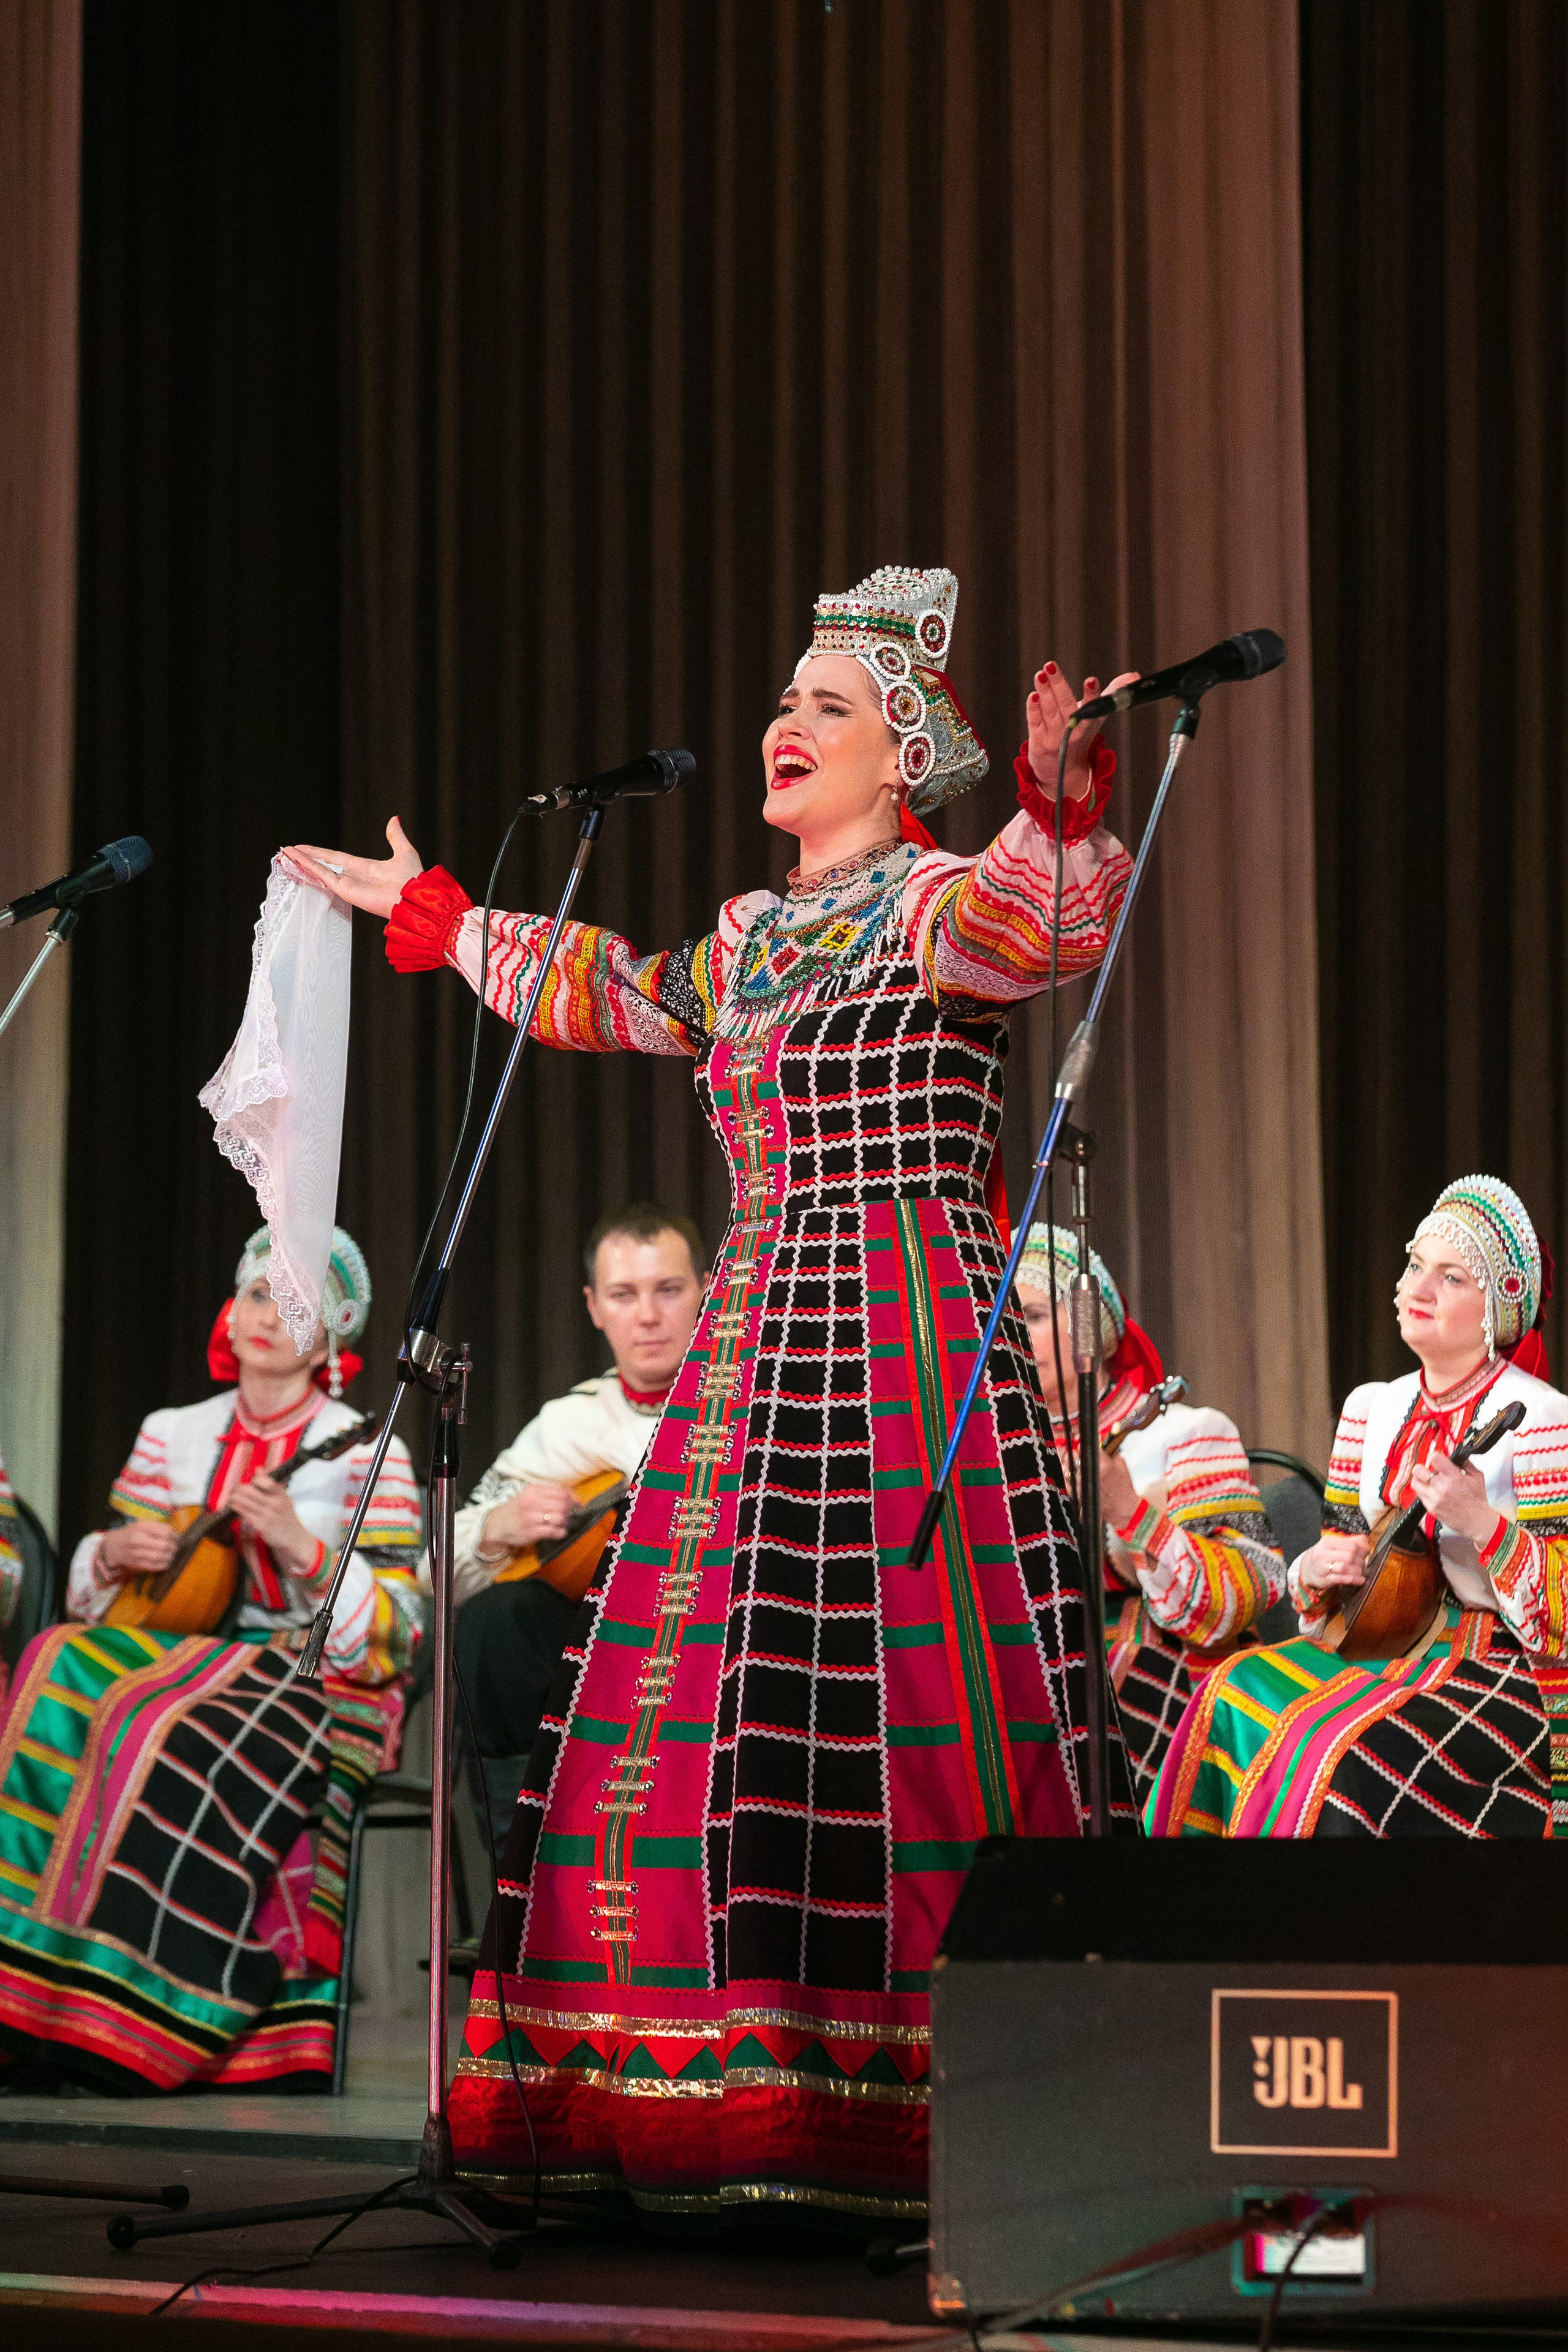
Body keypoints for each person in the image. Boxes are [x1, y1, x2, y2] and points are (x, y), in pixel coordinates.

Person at [284, 564, 1136, 2222]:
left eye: (825, 706)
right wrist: (452, 921)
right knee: (708, 1697)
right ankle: (708, 2074)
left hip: (904, 1333)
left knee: (890, 1704)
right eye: (783, 702)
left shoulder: (942, 901)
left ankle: (924, 2086)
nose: (783, 727)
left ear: (904, 754)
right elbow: (612, 992)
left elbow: (1051, 927)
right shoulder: (748, 938)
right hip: (762, 1338)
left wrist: (1055, 805)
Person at [0, 1227, 423, 2090]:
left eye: (297, 1305)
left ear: (333, 1340)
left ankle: (130, 2020)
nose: (269, 1315)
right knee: (51, 1655)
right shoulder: (170, 1434)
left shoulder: (369, 1452)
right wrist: (115, 1553)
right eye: (260, 1295)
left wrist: (303, 1549)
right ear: (231, 1315)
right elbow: (102, 1608)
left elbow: (391, 1637)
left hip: (310, 1682)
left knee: (146, 1717)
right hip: (176, 1660)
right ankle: (27, 1990)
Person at [1150, 1175, 1568, 1838]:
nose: (1415, 1289)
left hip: (1499, 1670)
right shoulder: (1369, 1410)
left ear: (1500, 1309)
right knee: (1226, 1693)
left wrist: (1480, 1523)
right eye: (1413, 1266)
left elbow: (1563, 1618)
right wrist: (1315, 1574)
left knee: (1332, 1752)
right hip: (1384, 1646)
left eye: (1452, 1277)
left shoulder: (1542, 1420)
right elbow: (1343, 1593)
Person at [453, 1203, 707, 1847]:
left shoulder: (757, 1398)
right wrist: (500, 1524)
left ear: (707, 1290)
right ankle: (525, 1872)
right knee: (494, 1622)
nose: (647, 1316)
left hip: (714, 1645)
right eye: (624, 1295)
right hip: (605, 1661)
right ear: (595, 1307)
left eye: (668, 1290)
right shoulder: (568, 1425)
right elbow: (439, 1565)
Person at [1014, 1224, 1283, 1798]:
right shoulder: (997, 1453)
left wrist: (1129, 1513)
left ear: (1090, 1329)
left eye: (1032, 1315)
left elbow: (1241, 1598)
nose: (1013, 1333)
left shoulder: (1182, 1433)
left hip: (1162, 1678)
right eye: (1003, 1318)